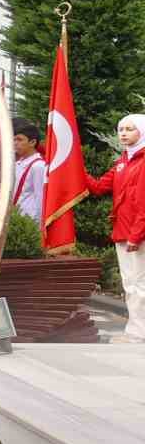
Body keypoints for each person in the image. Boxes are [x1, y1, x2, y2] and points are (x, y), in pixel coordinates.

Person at [85, 114, 145, 343]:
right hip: (124, 232)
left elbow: (143, 204)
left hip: (136, 235)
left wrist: (136, 236)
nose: (123, 133)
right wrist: (73, 167)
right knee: (131, 284)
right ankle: (137, 330)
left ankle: (137, 334)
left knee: (138, 285)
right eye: (121, 129)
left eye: (130, 129)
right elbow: (99, 187)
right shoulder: (123, 162)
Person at [12, 118, 47, 224]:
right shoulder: (17, 163)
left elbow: (41, 200)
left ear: (32, 142)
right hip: (15, 219)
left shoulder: (39, 166)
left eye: (19, 140)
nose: (15, 143)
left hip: (28, 223)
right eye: (14, 140)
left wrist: (37, 228)